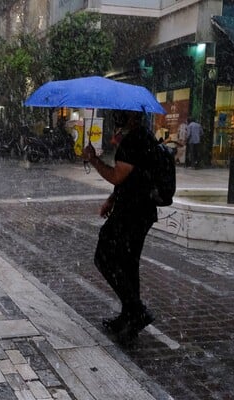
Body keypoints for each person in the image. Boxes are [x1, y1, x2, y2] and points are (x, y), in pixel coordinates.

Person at [82, 110, 157, 343]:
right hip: (140, 210)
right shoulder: (144, 137)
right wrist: (112, 199)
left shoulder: (134, 141)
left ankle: (136, 310)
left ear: (132, 116)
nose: (117, 117)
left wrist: (94, 160)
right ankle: (129, 317)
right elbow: (131, 179)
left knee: (104, 257)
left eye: (121, 114)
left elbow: (117, 176)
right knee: (128, 264)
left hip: (132, 213)